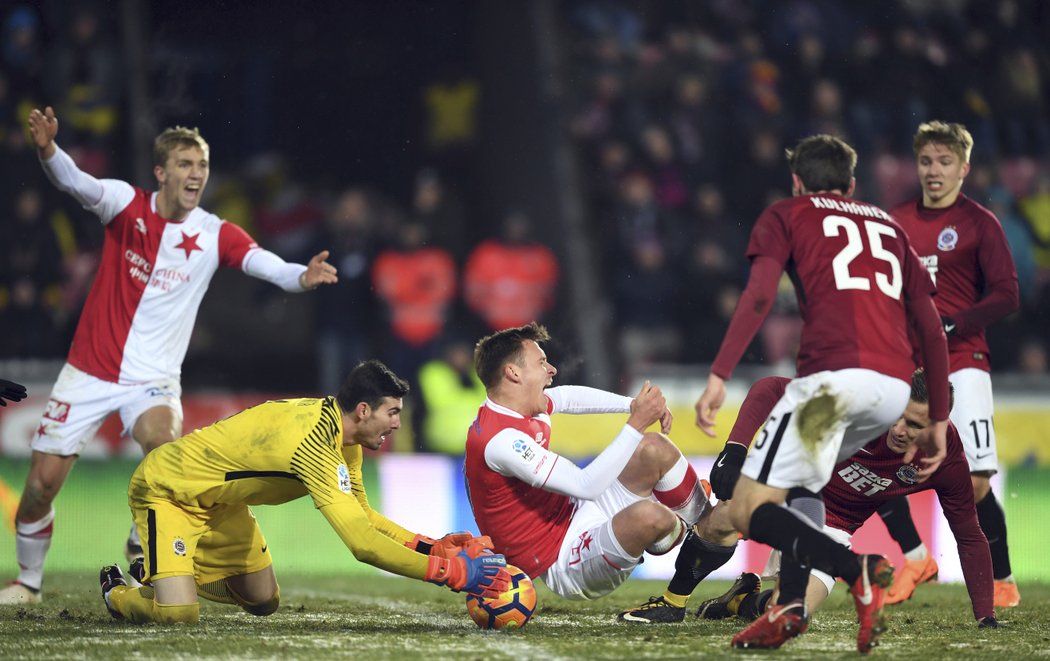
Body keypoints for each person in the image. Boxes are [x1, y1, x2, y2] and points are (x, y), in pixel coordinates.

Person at [0, 106, 338, 606]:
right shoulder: (125, 204)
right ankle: (28, 582)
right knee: (41, 486)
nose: (196, 173)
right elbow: (76, 183)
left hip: (153, 379)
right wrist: (49, 150)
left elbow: (264, 264)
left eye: (201, 165)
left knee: (164, 453)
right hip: (89, 371)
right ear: (161, 172)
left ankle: (142, 547)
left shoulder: (214, 232)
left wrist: (301, 276)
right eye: (184, 164)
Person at [693, 134, 951, 653]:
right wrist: (939, 416)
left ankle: (855, 568)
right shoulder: (889, 226)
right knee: (804, 483)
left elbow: (761, 293)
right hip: (892, 389)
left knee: (746, 507)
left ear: (795, 181)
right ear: (853, 184)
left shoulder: (787, 213)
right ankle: (791, 601)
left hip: (832, 383)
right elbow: (928, 324)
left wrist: (720, 372)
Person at [97, 360, 509, 624]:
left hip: (223, 504)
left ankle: (162, 573)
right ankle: (120, 593)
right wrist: (452, 573)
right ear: (363, 411)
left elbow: (364, 517)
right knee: (179, 615)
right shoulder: (312, 444)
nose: (398, 424)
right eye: (393, 412)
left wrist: (432, 547)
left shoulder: (342, 439)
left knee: (263, 601)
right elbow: (362, 544)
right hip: (170, 490)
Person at [622, 370, 996, 631]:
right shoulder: (862, 403)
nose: (899, 430)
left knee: (789, 613)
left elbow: (968, 533)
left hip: (829, 526)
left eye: (914, 426)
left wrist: (986, 615)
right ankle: (673, 602)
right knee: (725, 517)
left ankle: (742, 601)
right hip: (784, 485)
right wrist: (735, 450)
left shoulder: (946, 461)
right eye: (898, 417)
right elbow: (770, 389)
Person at [465, 323, 739, 604]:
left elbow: (568, 398)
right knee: (650, 516)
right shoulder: (501, 441)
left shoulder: (521, 405)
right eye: (541, 362)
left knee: (654, 447)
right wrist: (637, 422)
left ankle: (709, 533)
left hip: (577, 511)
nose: (552, 370)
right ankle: (673, 528)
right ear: (513, 373)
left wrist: (632, 405)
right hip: (561, 558)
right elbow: (585, 486)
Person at [877, 121, 1021, 609]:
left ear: (964, 168)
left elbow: (1007, 294)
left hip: (963, 360)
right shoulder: (894, 220)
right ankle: (916, 557)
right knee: (869, 463)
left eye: (943, 162)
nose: (933, 171)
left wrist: (955, 325)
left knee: (976, 480)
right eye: (925, 161)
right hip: (907, 367)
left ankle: (1002, 581)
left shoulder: (981, 222)